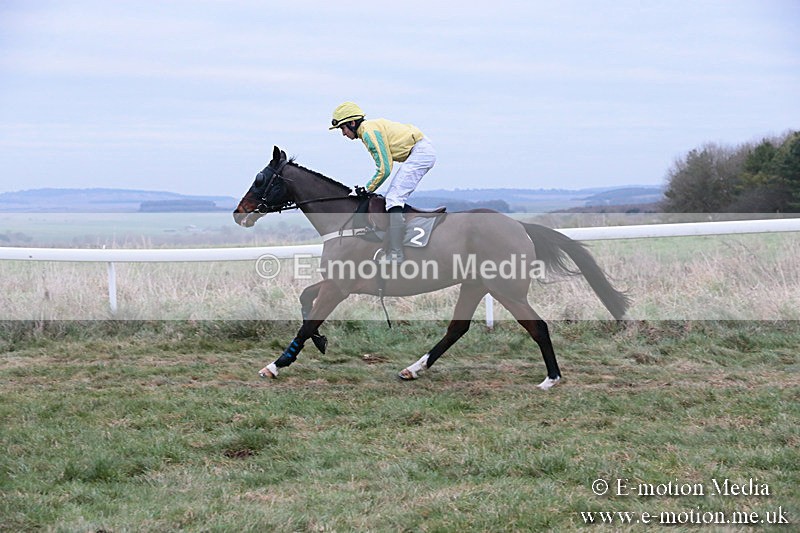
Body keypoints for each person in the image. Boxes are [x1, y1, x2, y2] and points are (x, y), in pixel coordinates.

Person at [330, 102, 436, 262]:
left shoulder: (368, 132)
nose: (343, 134)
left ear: (352, 123)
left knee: (394, 198)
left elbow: (385, 168)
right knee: (393, 197)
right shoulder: (368, 129)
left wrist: (367, 188)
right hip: (419, 150)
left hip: (420, 152)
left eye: (342, 128)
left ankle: (396, 253)